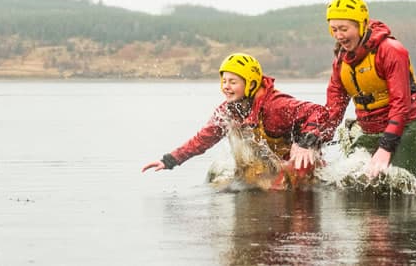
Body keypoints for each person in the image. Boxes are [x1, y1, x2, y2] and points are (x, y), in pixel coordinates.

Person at [142, 53, 337, 188]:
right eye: (224, 81)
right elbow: (203, 139)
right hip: (272, 167)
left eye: (233, 82)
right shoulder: (227, 111)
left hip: (301, 165)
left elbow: (319, 112)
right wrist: (169, 160)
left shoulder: (275, 105)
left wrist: (306, 143)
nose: (226, 87)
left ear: (251, 83)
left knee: (280, 185)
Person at [325, 0, 416, 178]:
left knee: (396, 184)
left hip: (408, 128)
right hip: (370, 131)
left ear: (361, 24)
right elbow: (333, 108)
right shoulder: (341, 60)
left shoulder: (391, 50)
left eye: (344, 29)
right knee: (348, 180)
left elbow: (400, 103)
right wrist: (311, 140)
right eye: (333, 29)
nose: (338, 35)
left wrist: (386, 146)